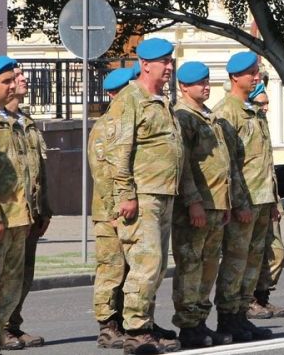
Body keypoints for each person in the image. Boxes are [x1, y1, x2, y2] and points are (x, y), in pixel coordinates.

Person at [103, 39, 185, 354]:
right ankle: (136, 332)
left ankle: (146, 323)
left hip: (163, 193)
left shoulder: (160, 101)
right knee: (145, 264)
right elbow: (118, 152)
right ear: (145, 64)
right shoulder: (130, 99)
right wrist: (126, 194)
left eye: (170, 61)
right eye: (164, 62)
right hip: (143, 195)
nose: (169, 67)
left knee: (157, 266)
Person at [213, 51, 278, 342]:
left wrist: (274, 199)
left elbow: (265, 159)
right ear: (234, 77)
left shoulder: (253, 110)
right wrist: (238, 202)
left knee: (253, 261)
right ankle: (228, 317)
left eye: (257, 72)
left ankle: (242, 314)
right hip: (245, 200)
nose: (256, 77)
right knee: (236, 261)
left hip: (262, 198)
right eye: (251, 73)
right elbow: (228, 165)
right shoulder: (226, 112)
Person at [171, 61, 235, 348]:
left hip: (216, 202)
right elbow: (183, 164)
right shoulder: (183, 117)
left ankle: (200, 320)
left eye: (207, 81)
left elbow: (222, 163)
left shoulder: (209, 115)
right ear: (184, 87)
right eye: (199, 83)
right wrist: (193, 202)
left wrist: (226, 202)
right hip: (196, 205)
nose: (206, 86)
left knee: (209, 265)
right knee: (190, 265)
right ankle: (188, 325)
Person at [2, 67, 51, 349]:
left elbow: (40, 170)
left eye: (21, 75)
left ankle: (11, 325)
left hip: (30, 213)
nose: (23, 79)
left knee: (23, 274)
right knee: (2, 275)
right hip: (4, 214)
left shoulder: (27, 122)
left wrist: (46, 208)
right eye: (14, 76)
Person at [0, 57, 31, 355]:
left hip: (17, 220)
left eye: (14, 79)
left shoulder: (12, 121)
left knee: (8, 294)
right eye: (6, 81)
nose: (13, 85)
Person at [89, 67, 136, 349]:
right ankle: (107, 326)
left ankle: (129, 321)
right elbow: (103, 174)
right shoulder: (106, 126)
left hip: (128, 210)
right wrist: (114, 210)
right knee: (111, 268)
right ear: (115, 94)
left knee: (132, 269)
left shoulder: (128, 122)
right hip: (110, 213)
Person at [249, 84, 284, 320]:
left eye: (267, 103)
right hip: (250, 199)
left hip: (268, 198)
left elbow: (268, 167)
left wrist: (276, 201)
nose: (265, 108)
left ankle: (262, 295)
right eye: (260, 104)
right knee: (251, 255)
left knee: (276, 252)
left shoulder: (262, 125)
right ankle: (249, 300)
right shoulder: (243, 121)